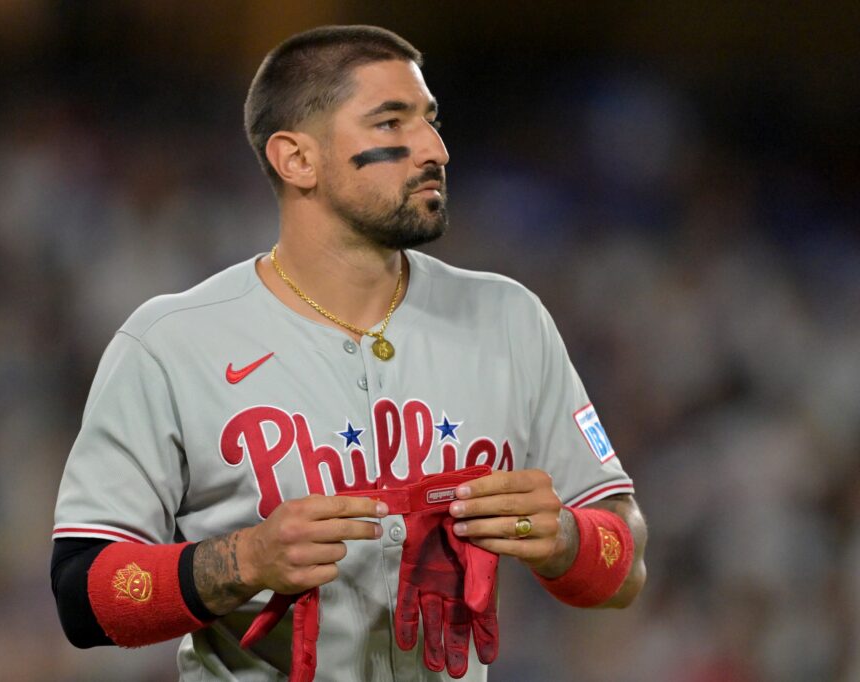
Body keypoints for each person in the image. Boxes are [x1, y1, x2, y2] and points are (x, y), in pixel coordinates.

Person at [51, 24, 647, 681]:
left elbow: (626, 560)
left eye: (431, 120)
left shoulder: (510, 319)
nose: (436, 149)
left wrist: (567, 538)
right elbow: (82, 592)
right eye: (391, 123)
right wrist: (244, 560)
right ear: (296, 160)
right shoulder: (171, 342)